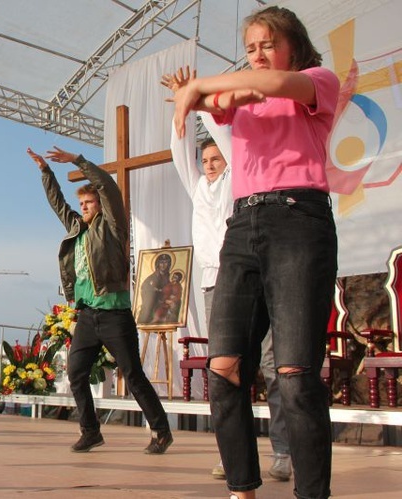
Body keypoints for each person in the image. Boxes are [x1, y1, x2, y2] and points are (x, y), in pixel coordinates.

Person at [169, 6, 340, 498]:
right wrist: (197, 92)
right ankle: (242, 488)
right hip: (242, 226)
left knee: (294, 373)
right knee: (222, 367)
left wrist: (198, 89)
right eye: (250, 47)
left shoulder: (317, 80)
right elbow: (226, 96)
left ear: (293, 46)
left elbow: (274, 86)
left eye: (268, 44)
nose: (258, 54)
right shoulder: (243, 96)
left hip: (298, 220)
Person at [160, 84, 292, 481]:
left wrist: (201, 106)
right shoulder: (198, 187)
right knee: (225, 369)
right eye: (206, 160)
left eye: (217, 158)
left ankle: (283, 451)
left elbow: (227, 140)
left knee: (271, 363)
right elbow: (179, 153)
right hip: (215, 283)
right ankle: (233, 452)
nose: (211, 164)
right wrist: (182, 110)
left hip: (256, 274)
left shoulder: (240, 181)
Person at [26, 146, 173, 455]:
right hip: (88, 317)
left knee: (132, 374)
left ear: (101, 205)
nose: (84, 207)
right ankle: (91, 431)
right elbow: (58, 205)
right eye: (82, 203)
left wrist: (78, 161)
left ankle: (160, 430)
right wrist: (45, 172)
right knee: (76, 372)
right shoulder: (77, 229)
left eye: (89, 202)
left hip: (114, 315)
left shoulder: (113, 227)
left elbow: (107, 187)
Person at [137, 252, 172, 325]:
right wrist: (156, 291)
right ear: (157, 264)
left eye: (165, 262)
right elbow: (145, 288)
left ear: (169, 264)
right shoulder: (151, 278)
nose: (163, 265)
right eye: (161, 262)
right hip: (155, 302)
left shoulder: (171, 277)